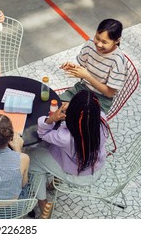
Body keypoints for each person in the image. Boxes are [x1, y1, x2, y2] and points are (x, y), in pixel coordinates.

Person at [27, 90, 108, 219]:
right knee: (50, 147)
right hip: (95, 166)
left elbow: (43, 133)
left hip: (79, 175)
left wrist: (50, 119)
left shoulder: (65, 138)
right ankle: (54, 181)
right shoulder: (102, 119)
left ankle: (43, 203)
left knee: (32, 158)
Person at [59, 19, 127, 113]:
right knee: (55, 106)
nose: (98, 44)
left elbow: (109, 93)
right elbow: (83, 67)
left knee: (75, 116)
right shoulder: (90, 44)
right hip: (82, 89)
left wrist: (87, 76)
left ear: (116, 41)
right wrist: (73, 67)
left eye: (104, 42)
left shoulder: (118, 61)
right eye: (97, 38)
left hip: (101, 99)